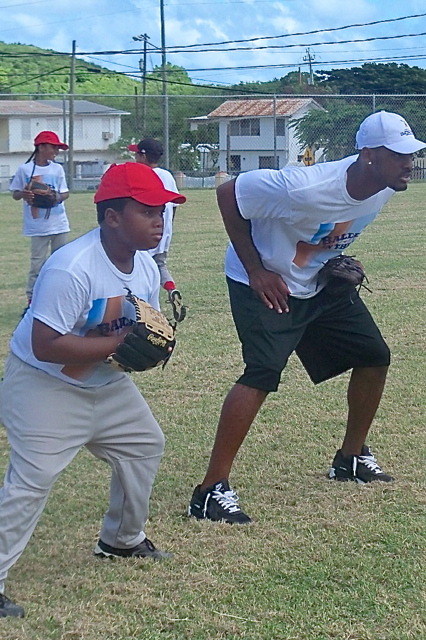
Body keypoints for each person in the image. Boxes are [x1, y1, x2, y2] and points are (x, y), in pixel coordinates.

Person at [188, 111, 426, 525]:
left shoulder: (385, 185)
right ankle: (210, 491)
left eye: (413, 154)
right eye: (400, 155)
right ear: (369, 156)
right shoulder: (304, 186)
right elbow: (229, 193)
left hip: (318, 281)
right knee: (262, 372)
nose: (410, 163)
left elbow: (327, 233)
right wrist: (256, 269)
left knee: (374, 355)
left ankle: (350, 459)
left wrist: (337, 259)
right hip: (263, 281)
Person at [0, 162, 186, 618]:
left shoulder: (143, 265)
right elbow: (46, 346)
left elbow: (146, 325)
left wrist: (156, 346)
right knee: (33, 479)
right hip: (44, 386)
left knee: (144, 446)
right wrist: (122, 343)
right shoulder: (71, 267)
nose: (159, 222)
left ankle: (121, 540)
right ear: (112, 217)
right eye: (147, 211)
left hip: (106, 382)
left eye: (162, 211)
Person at [10, 131, 71, 313]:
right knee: (37, 265)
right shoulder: (25, 169)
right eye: (53, 147)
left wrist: (56, 197)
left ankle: (59, 299)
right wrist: (24, 194)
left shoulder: (57, 169)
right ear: (41, 147)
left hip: (59, 223)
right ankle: (32, 300)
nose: (56, 151)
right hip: (37, 226)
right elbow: (15, 193)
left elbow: (65, 192)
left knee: (60, 264)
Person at [129, 137, 186, 322]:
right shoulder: (167, 175)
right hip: (163, 233)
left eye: (137, 154)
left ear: (143, 156)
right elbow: (175, 206)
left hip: (144, 234)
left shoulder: (139, 174)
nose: (135, 157)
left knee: (139, 270)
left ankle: (151, 310)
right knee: (160, 265)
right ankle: (171, 289)